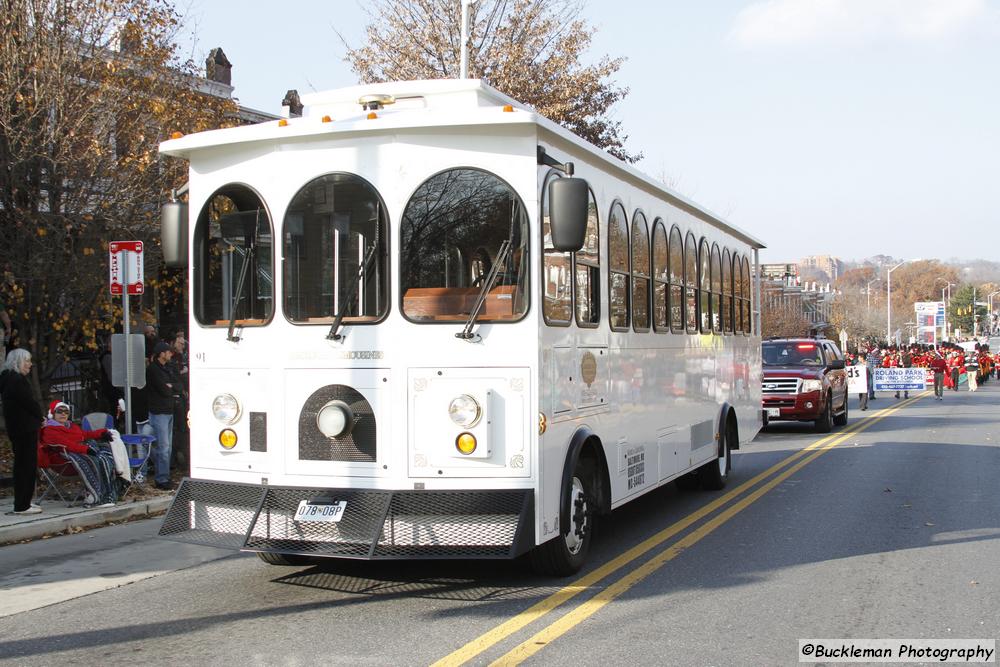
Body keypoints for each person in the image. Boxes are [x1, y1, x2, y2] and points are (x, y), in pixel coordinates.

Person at [39, 401, 121, 506]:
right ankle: (96, 493)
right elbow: (67, 444)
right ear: (52, 414)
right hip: (63, 461)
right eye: (60, 411)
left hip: (79, 453)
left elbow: (84, 435)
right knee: (95, 459)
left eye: (66, 412)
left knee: (105, 458)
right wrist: (86, 449)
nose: (63, 414)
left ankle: (107, 493)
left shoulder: (71, 426)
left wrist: (102, 432)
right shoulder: (49, 430)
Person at [0, 349, 44, 514]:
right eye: (27, 361)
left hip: (17, 428)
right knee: (26, 465)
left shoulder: (7, 378)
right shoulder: (17, 380)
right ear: (17, 361)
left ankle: (23, 501)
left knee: (22, 464)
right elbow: (29, 403)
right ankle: (22, 505)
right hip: (24, 428)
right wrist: (40, 417)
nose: (30, 364)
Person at [146, 341, 175, 490]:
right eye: (168, 352)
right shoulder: (153, 370)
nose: (170, 354)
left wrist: (171, 387)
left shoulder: (166, 368)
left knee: (167, 447)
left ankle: (165, 476)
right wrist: (169, 388)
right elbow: (165, 390)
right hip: (159, 412)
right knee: (163, 447)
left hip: (168, 410)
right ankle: (161, 479)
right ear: (161, 354)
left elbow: (174, 385)